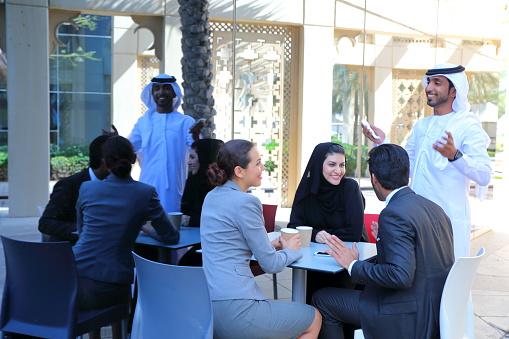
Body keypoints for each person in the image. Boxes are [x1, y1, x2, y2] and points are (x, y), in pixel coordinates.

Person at [312, 143, 455, 339]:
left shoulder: (394, 213)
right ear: (406, 173)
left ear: (374, 178)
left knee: (322, 298)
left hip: (406, 315)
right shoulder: (433, 207)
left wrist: (352, 265)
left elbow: (400, 276)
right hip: (435, 311)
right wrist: (387, 239)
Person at [362, 63, 491, 259]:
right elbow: (406, 168)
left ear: (454, 90)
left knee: (448, 283)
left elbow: (484, 175)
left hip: (449, 222)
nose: (429, 88)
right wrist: (382, 142)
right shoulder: (422, 125)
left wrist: (455, 155)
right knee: (419, 281)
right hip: (417, 219)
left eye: (437, 83)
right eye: (429, 82)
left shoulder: (467, 126)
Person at [201, 139, 322, 339]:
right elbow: (271, 265)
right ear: (239, 171)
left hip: (209, 309)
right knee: (313, 317)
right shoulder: (247, 202)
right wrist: (291, 250)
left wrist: (269, 244)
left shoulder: (211, 196)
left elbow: (229, 242)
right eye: (257, 163)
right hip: (238, 310)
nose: (262, 167)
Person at [73, 136, 180, 339]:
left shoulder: (87, 188)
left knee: (93, 309)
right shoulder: (145, 193)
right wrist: (148, 229)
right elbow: (171, 237)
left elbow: (81, 232)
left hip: (74, 279)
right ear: (133, 158)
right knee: (116, 301)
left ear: (104, 162)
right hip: (113, 283)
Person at [288, 142, 365, 304]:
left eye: (342, 165)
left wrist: (320, 234)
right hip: (314, 262)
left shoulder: (350, 188)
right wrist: (315, 234)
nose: (338, 171)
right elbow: (293, 227)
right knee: (311, 304)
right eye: (332, 164)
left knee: (333, 307)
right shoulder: (307, 190)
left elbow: (354, 233)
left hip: (347, 263)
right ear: (318, 165)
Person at [128, 74, 202, 213]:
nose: (161, 92)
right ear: (152, 92)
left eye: (166, 88)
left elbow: (197, 151)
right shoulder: (143, 122)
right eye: (157, 88)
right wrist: (114, 141)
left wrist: (197, 137)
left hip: (174, 185)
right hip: (147, 183)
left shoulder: (185, 122)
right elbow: (130, 149)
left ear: (174, 92)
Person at [38, 135, 111, 244]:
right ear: (105, 162)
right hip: (74, 253)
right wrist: (85, 230)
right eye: (119, 159)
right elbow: (46, 223)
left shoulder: (123, 186)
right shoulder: (70, 185)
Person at [180, 138, 225, 227]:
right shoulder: (192, 180)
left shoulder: (224, 186)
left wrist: (193, 221)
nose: (189, 162)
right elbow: (185, 210)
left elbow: (222, 221)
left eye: (192, 157)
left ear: (204, 158)